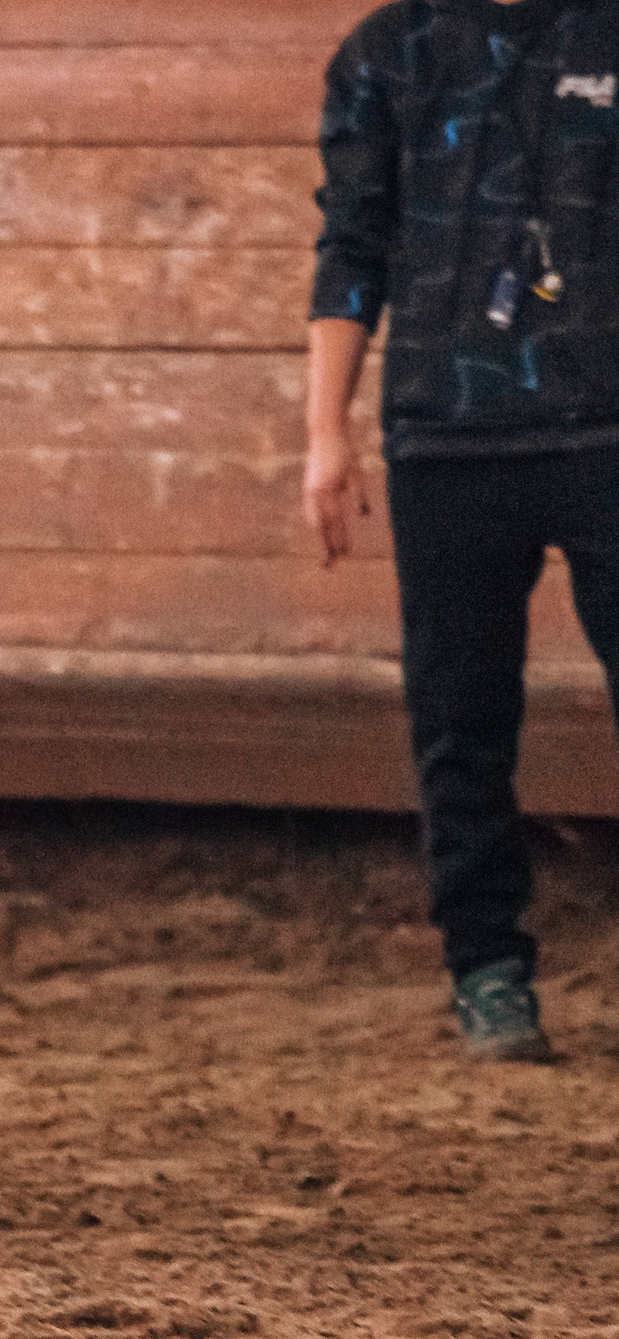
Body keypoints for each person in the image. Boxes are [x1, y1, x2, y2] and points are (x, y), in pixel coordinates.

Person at [308, 0, 619, 1059]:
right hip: (446, 438)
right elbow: (348, 246)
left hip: (607, 434)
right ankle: (487, 970)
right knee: (459, 720)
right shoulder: (387, 53)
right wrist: (324, 435)